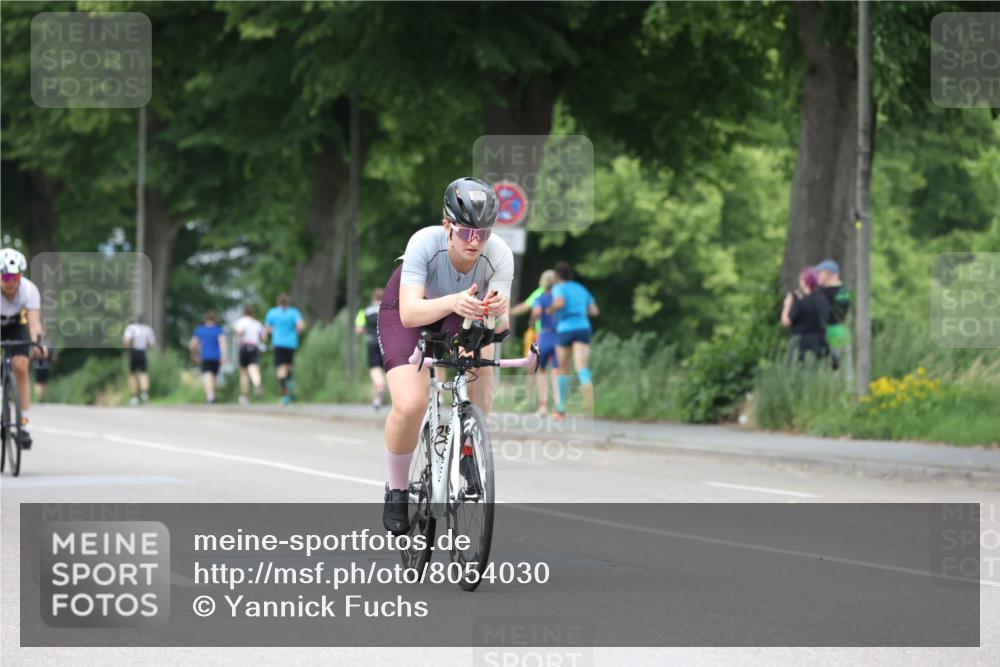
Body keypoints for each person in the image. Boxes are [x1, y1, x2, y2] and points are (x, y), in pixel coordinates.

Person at [379, 177, 512, 534]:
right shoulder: (425, 242)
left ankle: (468, 447)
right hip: (411, 310)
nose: (475, 242)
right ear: (447, 226)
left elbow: (500, 326)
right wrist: (453, 301)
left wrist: (497, 312)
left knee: (482, 362)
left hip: (463, 310)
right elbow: (409, 313)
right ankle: (397, 490)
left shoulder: (499, 253)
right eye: (466, 232)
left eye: (482, 234)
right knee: (410, 404)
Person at [0, 248, 47, 448]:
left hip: (17, 324)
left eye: (15, 276)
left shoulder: (29, 289)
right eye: (6, 276)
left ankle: (24, 424)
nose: (11, 282)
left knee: (21, 366)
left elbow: (34, 322)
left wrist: (38, 343)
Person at [548, 261, 599, 419]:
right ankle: (588, 396)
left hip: (565, 328)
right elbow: (594, 311)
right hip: (583, 327)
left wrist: (551, 309)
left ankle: (561, 408)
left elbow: (560, 302)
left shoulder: (558, 288)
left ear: (557, 276)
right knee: (581, 367)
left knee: (561, 369)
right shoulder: (581, 288)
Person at [781, 267, 830, 363]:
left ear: (805, 282)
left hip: (802, 344)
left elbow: (786, 321)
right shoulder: (823, 300)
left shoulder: (802, 303)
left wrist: (787, 305)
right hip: (820, 342)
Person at [528, 270, 560, 415]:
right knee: (557, 371)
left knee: (541, 371)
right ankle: (559, 406)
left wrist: (532, 322)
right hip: (560, 337)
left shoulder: (541, 298)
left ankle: (543, 407)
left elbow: (536, 312)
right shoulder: (560, 298)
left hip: (545, 335)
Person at [264, 293, 305, 405]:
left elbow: (267, 328)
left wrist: (273, 332)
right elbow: (301, 326)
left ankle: (284, 395)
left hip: (278, 343)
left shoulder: (272, 313)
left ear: (278, 302)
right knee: (289, 367)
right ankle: (291, 386)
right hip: (291, 343)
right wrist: (295, 331)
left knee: (280, 370)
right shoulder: (293, 312)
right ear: (288, 302)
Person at [815, 259, 851, 371]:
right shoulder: (844, 291)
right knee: (845, 369)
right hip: (843, 331)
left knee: (828, 370)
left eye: (820, 273)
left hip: (828, 333)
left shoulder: (823, 293)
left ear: (828, 273)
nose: (818, 276)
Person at [355, 288, 387, 410]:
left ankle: (379, 387)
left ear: (373, 298)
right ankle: (387, 395)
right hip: (386, 341)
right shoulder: (387, 309)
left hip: (371, 341)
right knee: (387, 369)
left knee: (375, 368)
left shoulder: (364, 311)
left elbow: (358, 330)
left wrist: (367, 330)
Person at [190, 311, 226, 404]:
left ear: (205, 319)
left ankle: (210, 396)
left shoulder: (200, 330)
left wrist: (194, 354)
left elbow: (193, 344)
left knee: (207, 376)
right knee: (214, 377)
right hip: (216, 357)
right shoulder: (218, 330)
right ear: (214, 320)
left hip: (205, 356)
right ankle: (212, 395)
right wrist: (224, 356)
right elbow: (223, 343)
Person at [234, 305, 266, 405]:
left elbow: (239, 333)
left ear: (244, 312)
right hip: (254, 346)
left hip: (244, 346)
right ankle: (257, 384)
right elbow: (264, 337)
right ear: (252, 313)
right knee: (254, 368)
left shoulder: (240, 322)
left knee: (244, 373)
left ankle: (244, 396)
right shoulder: (257, 323)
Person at [123, 316, 157, 405]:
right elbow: (152, 344)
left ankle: (134, 397)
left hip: (133, 352)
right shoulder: (148, 329)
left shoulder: (131, 328)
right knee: (144, 373)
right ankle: (144, 393)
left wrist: (128, 349)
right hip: (143, 352)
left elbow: (126, 341)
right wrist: (147, 349)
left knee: (132, 374)